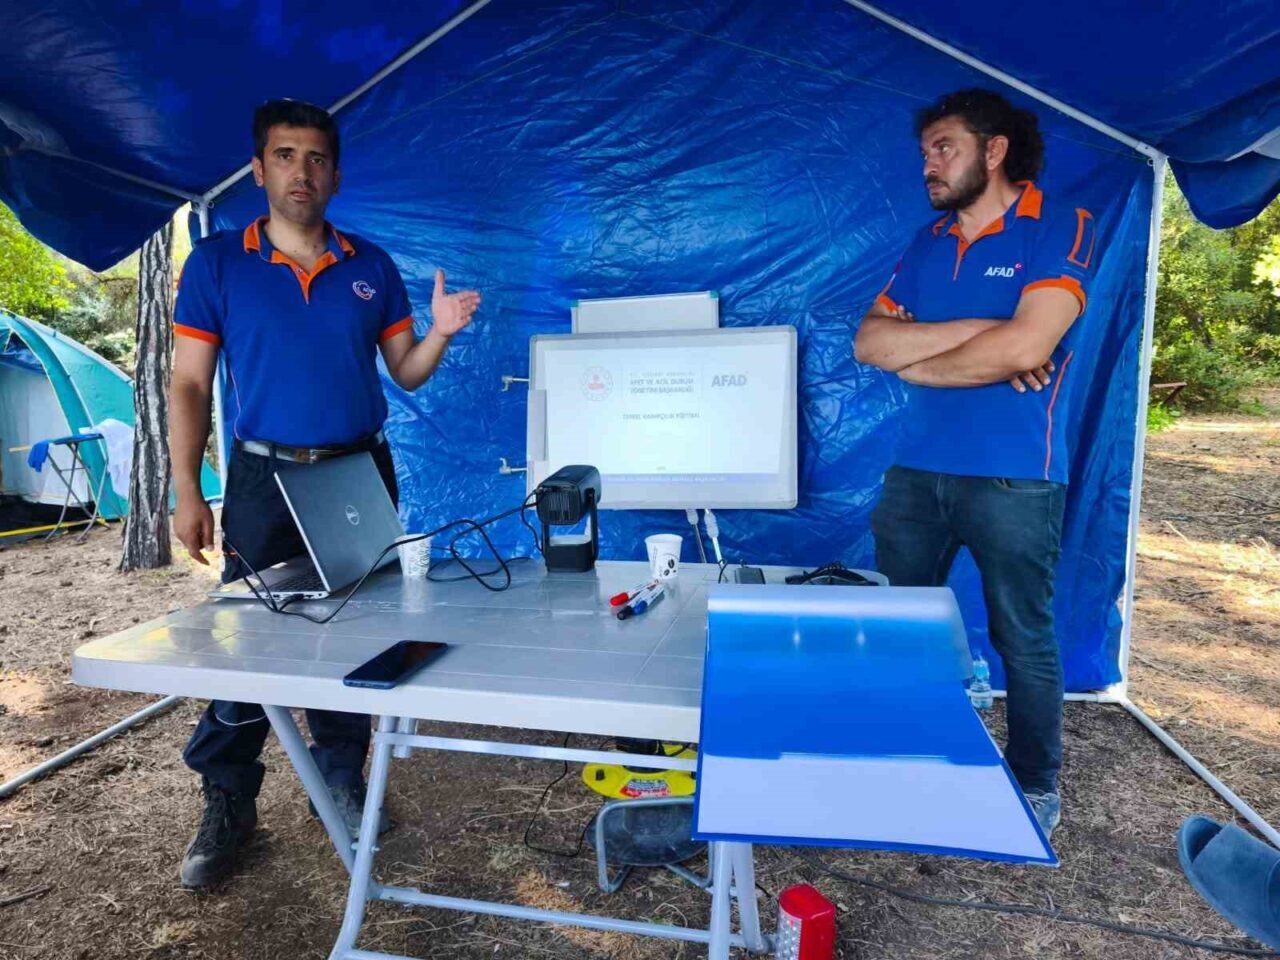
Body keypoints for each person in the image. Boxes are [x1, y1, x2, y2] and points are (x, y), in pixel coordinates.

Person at [169, 99, 480, 888]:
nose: (300, 172)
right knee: (248, 639)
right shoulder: (216, 264)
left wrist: (440, 332)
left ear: (335, 175)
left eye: (315, 158)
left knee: (358, 631)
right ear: (257, 170)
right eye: (284, 156)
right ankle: (228, 798)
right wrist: (187, 489)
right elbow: (189, 384)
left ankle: (339, 777)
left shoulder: (371, 266)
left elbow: (406, 372)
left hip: (358, 473)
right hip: (262, 478)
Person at [854, 88, 1099, 837]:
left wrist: (922, 358)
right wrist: (987, 334)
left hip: (1014, 474)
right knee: (899, 624)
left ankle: (1033, 783)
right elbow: (869, 342)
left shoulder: (1060, 223)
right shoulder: (928, 240)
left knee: (1021, 634)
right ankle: (908, 754)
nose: (928, 164)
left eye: (944, 147)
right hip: (917, 471)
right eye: (925, 151)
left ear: (994, 151)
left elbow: (1029, 346)